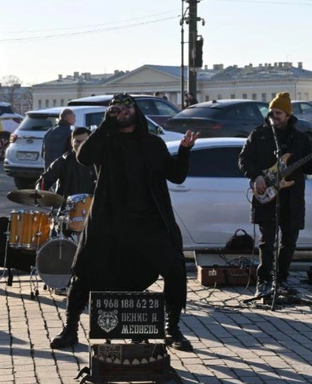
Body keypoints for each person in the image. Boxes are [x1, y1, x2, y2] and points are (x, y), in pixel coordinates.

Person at [49, 93, 198, 351]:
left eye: (126, 108)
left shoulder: (153, 144)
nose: (122, 112)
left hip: (148, 223)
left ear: (136, 112)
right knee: (83, 271)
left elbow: (176, 176)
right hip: (108, 222)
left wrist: (184, 152)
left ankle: (172, 329)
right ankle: (70, 328)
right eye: (115, 109)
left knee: (174, 268)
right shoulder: (105, 142)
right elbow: (84, 156)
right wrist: (107, 123)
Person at [238, 92, 312, 297]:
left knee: (289, 241)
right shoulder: (258, 135)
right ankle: (264, 281)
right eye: (272, 112)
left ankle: (281, 279)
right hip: (266, 196)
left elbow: (309, 169)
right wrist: (257, 176)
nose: (274, 116)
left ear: (287, 115)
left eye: (278, 113)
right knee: (266, 241)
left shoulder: (300, 139)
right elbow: (243, 160)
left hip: (292, 198)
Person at [36, 126, 96, 198]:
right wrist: (40, 192)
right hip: (65, 206)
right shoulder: (63, 161)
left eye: (84, 142)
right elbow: (45, 180)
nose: (81, 145)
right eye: (77, 141)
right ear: (71, 142)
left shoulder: (96, 163)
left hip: (92, 206)